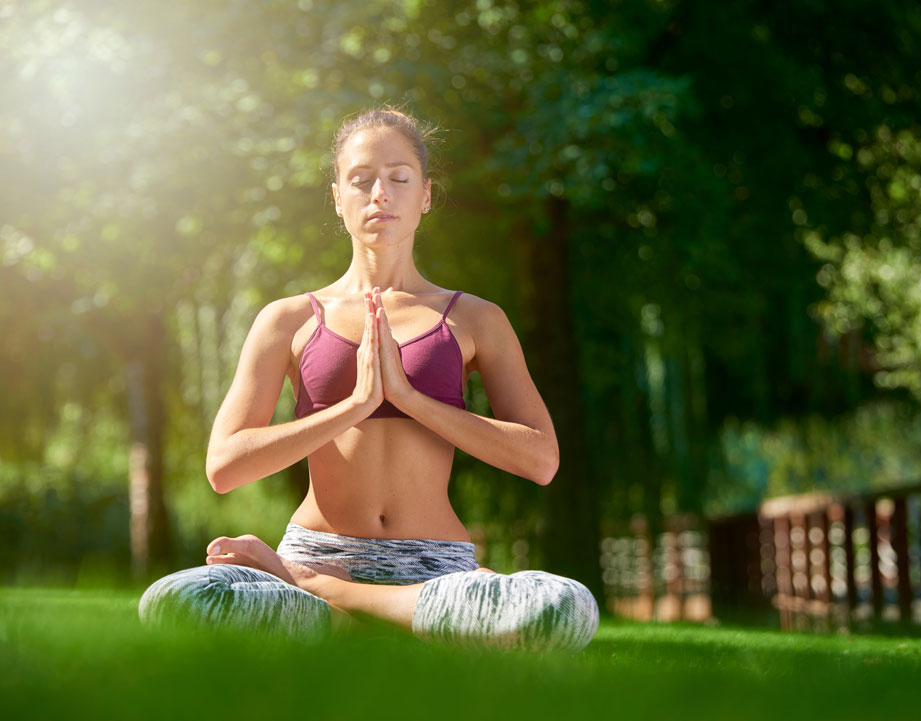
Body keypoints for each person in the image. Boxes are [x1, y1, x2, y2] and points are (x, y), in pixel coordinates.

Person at [138, 108, 599, 654]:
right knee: (173, 600)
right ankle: (406, 625)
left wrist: (408, 397)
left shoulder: (475, 319)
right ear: (338, 197)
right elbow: (225, 466)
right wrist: (355, 404)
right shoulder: (289, 319)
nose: (380, 192)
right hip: (315, 549)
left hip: (432, 568)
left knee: (565, 606)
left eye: (399, 178)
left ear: (425, 195)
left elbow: (540, 459)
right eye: (361, 180)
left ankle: (334, 604)